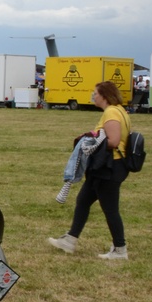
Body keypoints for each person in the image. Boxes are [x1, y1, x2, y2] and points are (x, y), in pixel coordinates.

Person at [48, 81, 132, 261]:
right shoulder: (118, 111)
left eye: (95, 93)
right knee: (83, 200)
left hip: (109, 167)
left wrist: (90, 141)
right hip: (104, 168)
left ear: (104, 95)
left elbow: (114, 141)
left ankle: (120, 248)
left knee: (110, 209)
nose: (93, 96)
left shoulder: (111, 112)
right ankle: (70, 240)